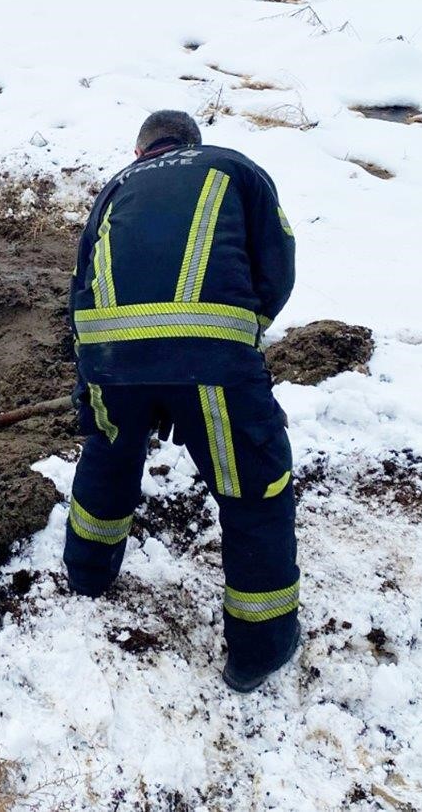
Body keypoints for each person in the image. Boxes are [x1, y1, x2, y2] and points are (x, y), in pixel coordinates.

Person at [66, 110, 299, 692]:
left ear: (142, 149)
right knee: (254, 489)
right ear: (191, 143)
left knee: (108, 456)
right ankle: (258, 650)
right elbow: (277, 263)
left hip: (109, 353)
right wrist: (242, 331)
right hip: (212, 356)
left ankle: (87, 576)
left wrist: (109, 366)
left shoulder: (117, 185)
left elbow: (81, 279)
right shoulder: (234, 168)